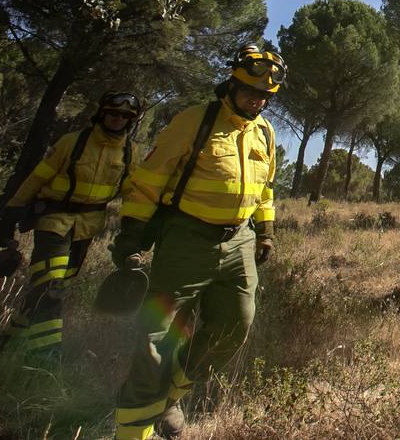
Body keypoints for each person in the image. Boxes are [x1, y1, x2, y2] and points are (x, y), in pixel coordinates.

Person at [110, 45, 282, 440]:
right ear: (231, 85)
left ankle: (169, 397)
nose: (256, 101)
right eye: (249, 93)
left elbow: (266, 189)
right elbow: (149, 179)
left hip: (239, 241)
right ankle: (133, 430)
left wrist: (266, 232)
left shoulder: (266, 133)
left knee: (234, 326)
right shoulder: (194, 121)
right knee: (157, 336)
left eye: (264, 97)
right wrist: (132, 232)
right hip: (187, 238)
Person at [0, 90, 141, 362]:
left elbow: (133, 193)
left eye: (125, 116)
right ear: (102, 113)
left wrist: (135, 228)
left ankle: (6, 344)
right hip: (54, 221)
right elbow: (37, 178)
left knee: (47, 290)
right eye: (113, 113)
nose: (118, 119)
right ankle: (45, 358)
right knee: (51, 288)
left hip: (88, 227)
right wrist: (10, 213)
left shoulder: (131, 152)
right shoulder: (72, 143)